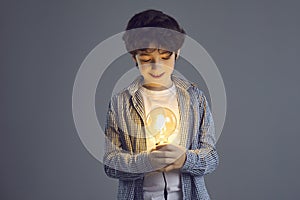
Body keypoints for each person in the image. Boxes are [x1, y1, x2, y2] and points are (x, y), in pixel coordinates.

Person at [103, 9, 219, 200]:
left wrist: (185, 159)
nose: (157, 66)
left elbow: (212, 157)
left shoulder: (196, 99)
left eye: (165, 56)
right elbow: (110, 163)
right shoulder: (121, 102)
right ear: (134, 57)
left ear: (177, 53)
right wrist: (146, 162)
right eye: (147, 59)